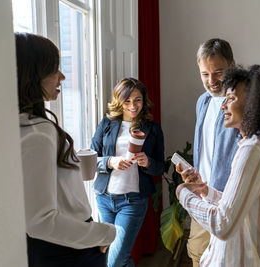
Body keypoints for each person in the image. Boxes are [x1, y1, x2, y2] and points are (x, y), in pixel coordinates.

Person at [177, 65, 260, 266]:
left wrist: (183, 194)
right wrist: (206, 191)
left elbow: (223, 224)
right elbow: (242, 208)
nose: (223, 105)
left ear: (253, 104)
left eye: (230, 98)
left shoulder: (252, 151)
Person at [16, 32, 116, 267]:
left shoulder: (17, 126)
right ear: (33, 75)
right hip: (68, 249)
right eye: (54, 70)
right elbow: (40, 220)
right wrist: (104, 233)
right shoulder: (38, 132)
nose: (61, 76)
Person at [176, 38, 239, 267]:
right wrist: (194, 175)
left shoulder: (241, 105)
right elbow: (205, 149)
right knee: (198, 254)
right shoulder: (202, 102)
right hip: (202, 194)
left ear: (232, 65)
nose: (211, 81)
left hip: (228, 200)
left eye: (218, 72)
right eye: (205, 74)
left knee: (227, 259)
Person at [91, 78, 165, 267]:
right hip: (105, 199)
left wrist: (148, 162)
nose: (133, 105)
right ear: (119, 101)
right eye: (127, 101)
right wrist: (110, 161)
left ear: (144, 100)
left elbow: (161, 167)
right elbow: (91, 159)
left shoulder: (153, 129)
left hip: (133, 201)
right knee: (117, 256)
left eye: (138, 100)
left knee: (115, 258)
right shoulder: (106, 123)